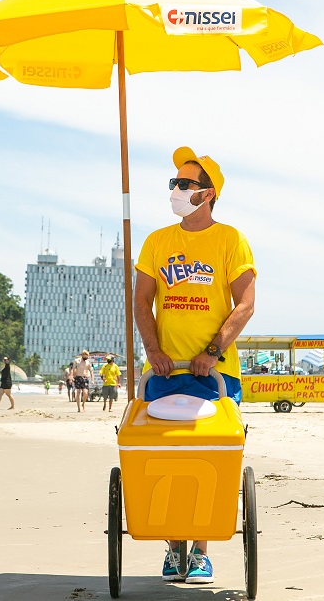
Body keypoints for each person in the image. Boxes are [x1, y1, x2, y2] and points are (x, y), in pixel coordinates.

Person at [134, 146, 256, 586]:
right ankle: (173, 547)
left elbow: (245, 305)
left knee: (208, 458)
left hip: (215, 373)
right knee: (164, 458)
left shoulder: (230, 240)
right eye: (174, 183)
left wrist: (213, 351)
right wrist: (153, 352)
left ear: (207, 194)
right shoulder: (157, 241)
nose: (175, 190)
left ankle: (201, 552)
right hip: (164, 371)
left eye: (184, 184)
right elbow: (141, 303)